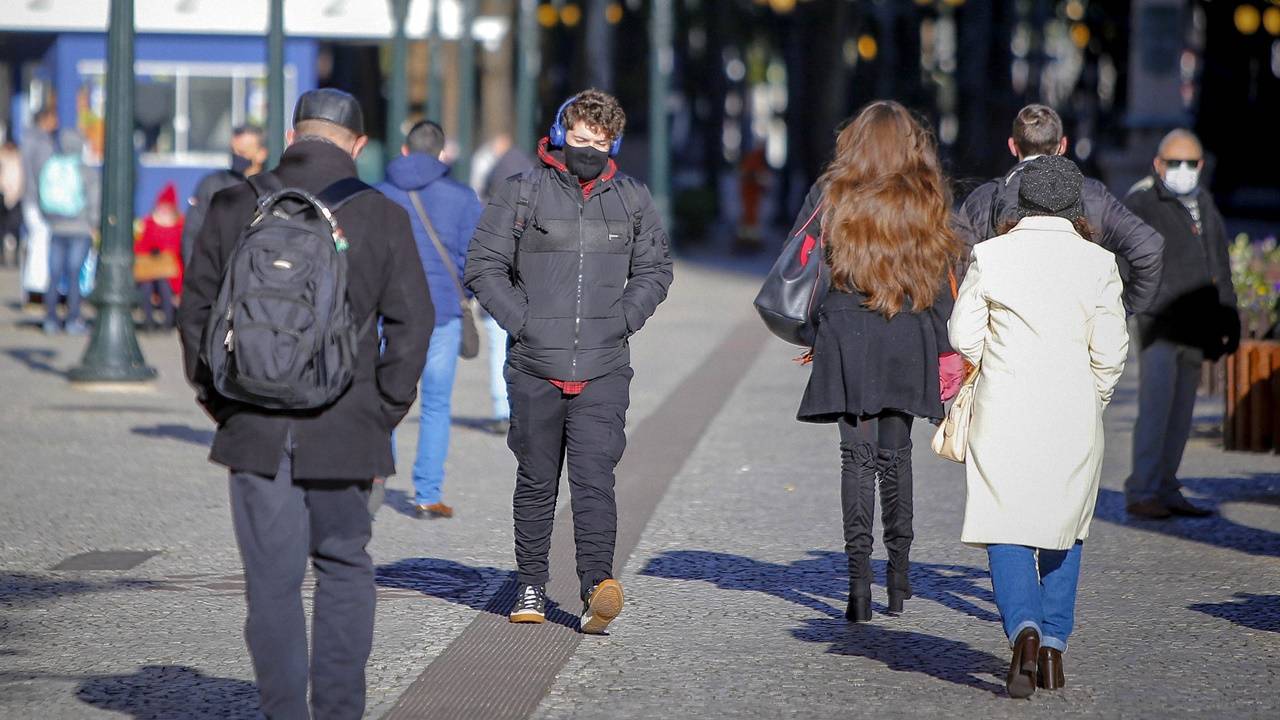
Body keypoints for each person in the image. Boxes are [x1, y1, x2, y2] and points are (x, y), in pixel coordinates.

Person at [178, 88, 432, 719]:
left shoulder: (235, 202)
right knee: (345, 569)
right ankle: (339, 712)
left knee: (271, 586)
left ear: (292, 134)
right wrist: (384, 410)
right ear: (359, 144)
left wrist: (225, 403)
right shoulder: (381, 215)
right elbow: (414, 324)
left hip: (255, 428)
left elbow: (195, 315)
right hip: (347, 427)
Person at [466, 89, 673, 633]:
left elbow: (655, 269)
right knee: (537, 480)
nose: (588, 149)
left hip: (604, 365)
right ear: (560, 136)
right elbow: (483, 266)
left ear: (614, 144)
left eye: (599, 142)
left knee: (594, 478)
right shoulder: (522, 192)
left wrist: (624, 318)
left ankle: (596, 588)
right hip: (535, 365)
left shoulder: (631, 198)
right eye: (579, 139)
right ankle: (531, 583)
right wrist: (524, 323)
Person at [949, 155, 1129, 699]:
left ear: (1020, 204)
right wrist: (1092, 395)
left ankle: (1022, 629)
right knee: (1065, 522)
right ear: (1076, 208)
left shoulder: (991, 254)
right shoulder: (1098, 263)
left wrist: (995, 361)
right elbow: (1112, 351)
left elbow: (962, 334)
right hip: (1072, 410)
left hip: (1004, 407)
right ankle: (1053, 645)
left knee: (1005, 522)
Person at [791, 101, 962, 623]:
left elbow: (805, 265)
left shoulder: (832, 193)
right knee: (897, 453)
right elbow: (940, 277)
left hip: (846, 330)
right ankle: (899, 577)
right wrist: (946, 347)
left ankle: (858, 585)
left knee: (855, 458)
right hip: (907, 330)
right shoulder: (927, 198)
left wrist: (814, 331)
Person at [1122, 130, 1238, 519]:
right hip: (1159, 325)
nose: (1184, 170)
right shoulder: (1142, 201)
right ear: (1158, 164)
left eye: (1191, 163)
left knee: (1181, 413)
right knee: (1155, 410)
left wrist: (1229, 315)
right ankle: (1142, 489)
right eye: (1175, 163)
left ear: (1201, 165)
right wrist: (1138, 306)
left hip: (1197, 325)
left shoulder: (1203, 202)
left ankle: (1167, 486)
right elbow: (1124, 261)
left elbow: (1218, 262)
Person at [955, 104, 1164, 314]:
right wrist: (1121, 310)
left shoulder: (983, 200)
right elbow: (1149, 248)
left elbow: (960, 273)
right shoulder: (1092, 195)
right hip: (1078, 332)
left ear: (1012, 145)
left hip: (1005, 335)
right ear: (1062, 145)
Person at [377, 120, 483, 518]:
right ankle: (427, 494)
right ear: (441, 155)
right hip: (441, 311)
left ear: (404, 150)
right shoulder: (461, 196)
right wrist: (463, 297)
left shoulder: (380, 192)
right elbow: (475, 259)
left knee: (384, 395)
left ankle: (374, 480)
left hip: (390, 311)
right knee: (437, 404)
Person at [471, 132, 535, 435]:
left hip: (499, 287)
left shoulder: (491, 207)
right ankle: (521, 407)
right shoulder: (537, 191)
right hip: (526, 289)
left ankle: (501, 409)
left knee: (499, 345)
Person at [40, 128, 99, 335]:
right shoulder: (85, 171)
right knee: (75, 275)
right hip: (80, 228)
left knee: (54, 275)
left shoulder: (52, 167)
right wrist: (94, 223)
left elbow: (42, 197)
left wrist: (49, 220)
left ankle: (50, 319)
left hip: (56, 227)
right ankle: (73, 319)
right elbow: (94, 200)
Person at [181, 124, 268, 265]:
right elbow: (192, 233)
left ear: (261, 154)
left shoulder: (270, 188)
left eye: (242, 152)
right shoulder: (213, 185)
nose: (236, 157)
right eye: (233, 151)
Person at [134, 183, 184, 332]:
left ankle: (167, 320)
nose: (164, 210)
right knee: (146, 284)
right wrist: (151, 250)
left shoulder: (180, 224)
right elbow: (139, 246)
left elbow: (180, 248)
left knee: (164, 283)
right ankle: (148, 320)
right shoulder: (148, 223)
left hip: (171, 269)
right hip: (151, 266)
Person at [20, 106, 57, 302]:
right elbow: (43, 175)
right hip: (38, 199)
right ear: (45, 119)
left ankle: (33, 287)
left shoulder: (27, 140)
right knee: (41, 240)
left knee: (36, 240)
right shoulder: (42, 143)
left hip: (29, 197)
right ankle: (37, 288)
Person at [0, 139, 23, 267]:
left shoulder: (20, 158)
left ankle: (15, 257)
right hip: (2, 195)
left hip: (17, 197)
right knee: (1, 228)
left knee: (16, 227)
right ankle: (2, 256)